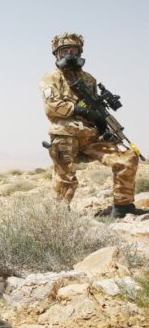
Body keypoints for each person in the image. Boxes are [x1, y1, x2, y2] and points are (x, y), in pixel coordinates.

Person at [40, 32, 147, 218]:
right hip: (66, 134)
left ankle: (123, 207)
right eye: (65, 51)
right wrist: (82, 111)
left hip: (91, 136)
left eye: (73, 50)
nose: (70, 54)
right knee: (66, 177)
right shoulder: (51, 77)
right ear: (57, 54)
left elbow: (96, 105)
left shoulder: (89, 79)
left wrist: (101, 122)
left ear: (80, 51)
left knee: (127, 157)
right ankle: (57, 218)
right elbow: (52, 107)